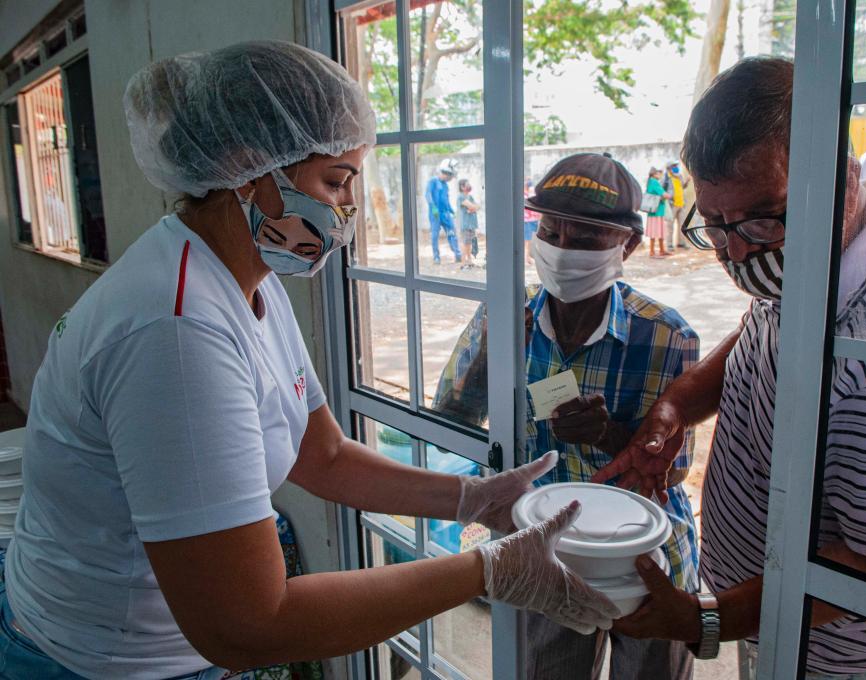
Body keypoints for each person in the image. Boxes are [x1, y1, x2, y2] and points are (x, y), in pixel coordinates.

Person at [0, 41, 618, 680]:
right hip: (105, 661)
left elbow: (319, 454)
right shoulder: (175, 330)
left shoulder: (247, 278)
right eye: (335, 181)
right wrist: (490, 570)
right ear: (248, 167)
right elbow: (247, 625)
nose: (346, 214)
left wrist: (471, 498)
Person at [594, 57, 866, 678]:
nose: (736, 252)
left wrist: (710, 618)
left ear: (842, 177)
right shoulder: (808, 253)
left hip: (847, 659)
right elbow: (753, 329)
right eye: (714, 225)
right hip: (769, 619)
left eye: (761, 218)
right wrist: (675, 406)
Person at [435, 153, 701, 680]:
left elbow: (673, 471)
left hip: (642, 555)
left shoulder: (666, 336)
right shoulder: (505, 316)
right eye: (551, 231)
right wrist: (489, 358)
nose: (561, 250)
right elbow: (450, 421)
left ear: (626, 243)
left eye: (584, 239)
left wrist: (611, 435)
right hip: (544, 550)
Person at [426, 158, 461, 264]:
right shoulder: (432, 181)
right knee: (435, 235)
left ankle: (458, 254)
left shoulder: (445, 185)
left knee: (451, 233)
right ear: (446, 173)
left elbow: (446, 200)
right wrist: (433, 207)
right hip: (435, 214)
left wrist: (452, 210)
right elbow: (428, 195)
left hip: (445, 214)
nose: (451, 179)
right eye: (450, 176)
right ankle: (436, 257)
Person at [663, 161, 690, 250]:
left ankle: (681, 243)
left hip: (681, 204)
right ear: (669, 169)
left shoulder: (679, 176)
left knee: (682, 225)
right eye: (673, 166)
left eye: (676, 166)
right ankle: (669, 245)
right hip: (672, 205)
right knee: (670, 226)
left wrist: (687, 182)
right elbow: (660, 189)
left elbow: (682, 187)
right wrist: (667, 196)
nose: (675, 167)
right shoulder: (666, 179)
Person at [644, 167, 669, 258]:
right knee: (656, 231)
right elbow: (664, 195)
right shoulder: (654, 182)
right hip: (657, 211)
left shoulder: (650, 182)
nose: (660, 175)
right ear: (654, 174)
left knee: (657, 231)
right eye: (659, 173)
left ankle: (661, 250)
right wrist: (669, 195)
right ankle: (652, 252)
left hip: (654, 211)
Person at [457, 178, 480, 268]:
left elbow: (478, 206)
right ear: (462, 187)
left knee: (470, 243)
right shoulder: (461, 197)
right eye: (467, 184)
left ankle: (469, 261)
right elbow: (472, 206)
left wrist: (473, 208)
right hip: (466, 224)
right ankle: (463, 262)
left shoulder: (470, 197)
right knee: (465, 242)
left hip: (472, 224)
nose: (469, 185)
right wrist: (473, 207)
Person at [523, 178, 541, 264]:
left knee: (530, 241)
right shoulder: (524, 196)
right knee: (527, 241)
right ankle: (526, 259)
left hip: (532, 220)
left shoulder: (529, 194)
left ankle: (528, 258)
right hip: (528, 221)